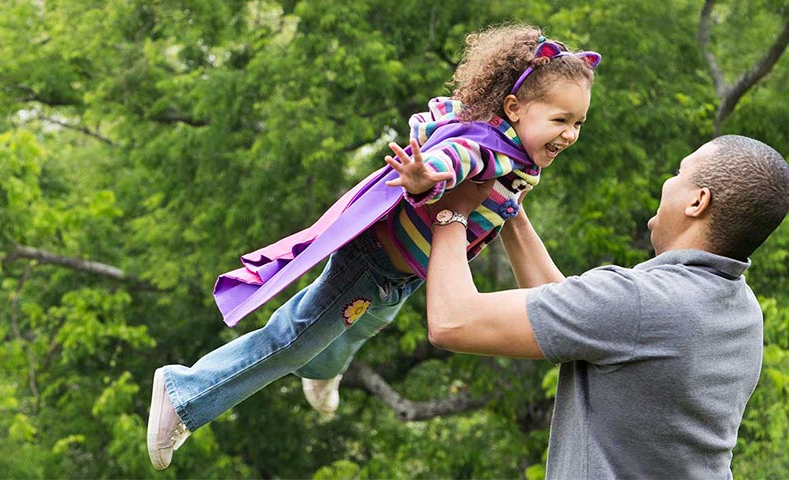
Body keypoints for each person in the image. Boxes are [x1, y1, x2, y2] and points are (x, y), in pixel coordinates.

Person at [147, 23, 602, 470]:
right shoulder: (488, 147)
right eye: (559, 120)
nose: (570, 135)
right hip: (373, 263)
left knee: (366, 324)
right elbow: (455, 157)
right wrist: (427, 177)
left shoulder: (518, 154)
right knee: (293, 340)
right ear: (514, 108)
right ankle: (185, 393)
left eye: (578, 122)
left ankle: (323, 371)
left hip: (401, 274)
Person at [417, 134, 789, 477]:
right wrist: (509, 211)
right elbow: (577, 318)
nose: (668, 182)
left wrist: (452, 212)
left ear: (698, 202)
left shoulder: (642, 301)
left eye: (679, 173)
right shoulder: (742, 309)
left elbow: (452, 321)